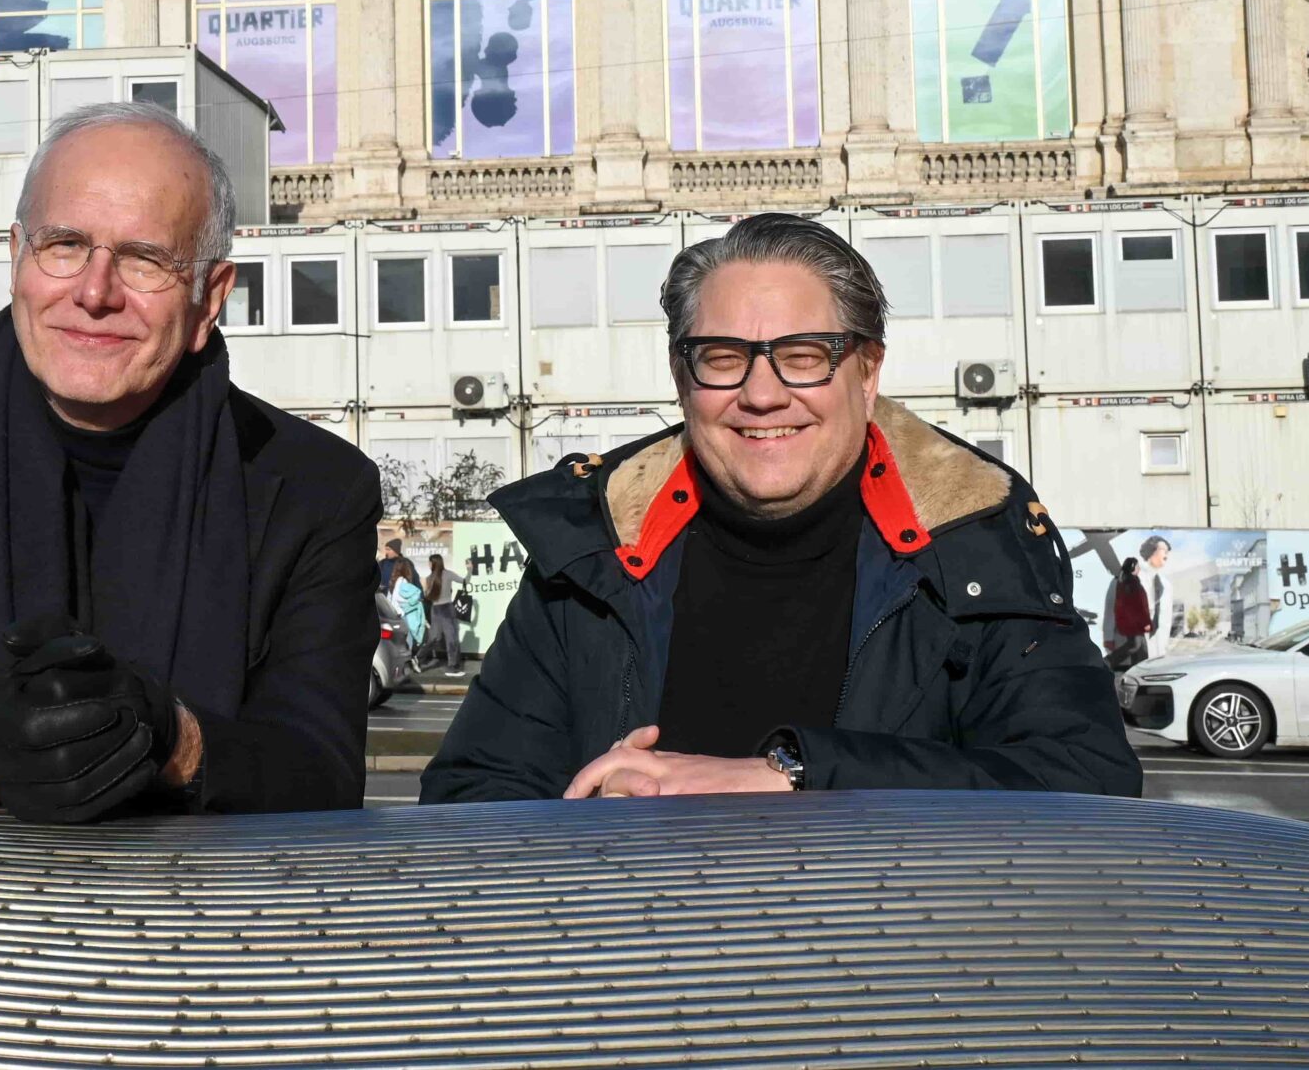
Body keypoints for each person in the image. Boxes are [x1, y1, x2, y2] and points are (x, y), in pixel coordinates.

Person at [0, 103, 382, 821]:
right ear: (16, 259)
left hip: (204, 923)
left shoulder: (319, 491)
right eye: (63, 245)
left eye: (145, 258)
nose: (94, 293)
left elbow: (321, 773)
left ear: (209, 297)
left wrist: (173, 741)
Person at [421, 213, 1141, 803]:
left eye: (802, 354)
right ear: (682, 377)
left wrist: (791, 775)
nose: (762, 395)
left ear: (866, 371)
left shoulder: (977, 536)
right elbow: (470, 798)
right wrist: (597, 826)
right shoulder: (589, 547)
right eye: (723, 356)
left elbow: (1087, 781)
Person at [1105, 556, 1153, 672]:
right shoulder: (1132, 582)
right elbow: (1139, 605)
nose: (1139, 569)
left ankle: (1139, 671)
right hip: (1134, 622)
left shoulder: (1125, 581)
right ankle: (1107, 662)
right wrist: (1146, 622)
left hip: (1131, 621)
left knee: (1141, 649)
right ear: (1132, 568)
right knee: (1134, 645)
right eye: (1137, 566)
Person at [421, 553, 467, 671]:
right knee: (435, 637)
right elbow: (428, 597)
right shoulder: (429, 578)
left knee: (450, 637)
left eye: (430, 562)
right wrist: (425, 588)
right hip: (436, 609)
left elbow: (464, 581)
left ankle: (453, 663)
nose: (428, 564)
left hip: (446, 608)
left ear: (435, 563)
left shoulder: (447, 574)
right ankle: (418, 658)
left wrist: (470, 570)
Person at [389, 556, 427, 653]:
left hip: (394, 615)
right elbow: (416, 594)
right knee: (408, 641)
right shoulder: (403, 581)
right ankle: (408, 663)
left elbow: (392, 599)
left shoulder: (394, 582)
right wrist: (413, 602)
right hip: (403, 615)